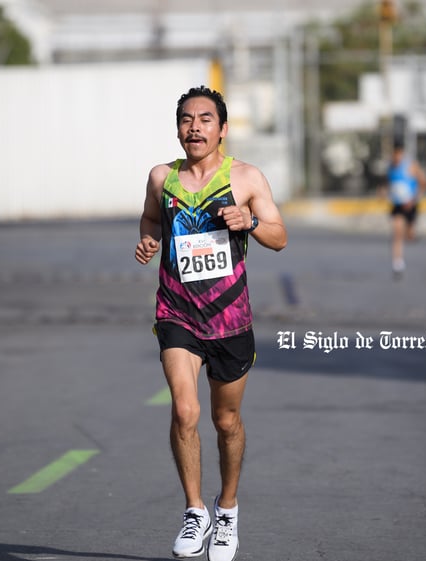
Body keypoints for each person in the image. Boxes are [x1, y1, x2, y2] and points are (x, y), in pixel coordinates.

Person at [134, 86, 287, 561]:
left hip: (230, 320)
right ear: (177, 127)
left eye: (204, 119)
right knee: (185, 410)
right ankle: (194, 510)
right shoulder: (163, 177)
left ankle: (227, 510)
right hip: (177, 311)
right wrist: (148, 239)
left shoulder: (246, 177)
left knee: (226, 421)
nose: (194, 127)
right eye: (186, 119)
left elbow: (280, 237)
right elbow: (150, 218)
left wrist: (250, 223)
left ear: (222, 128)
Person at [386, 141, 426, 278]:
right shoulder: (390, 167)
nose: (396, 158)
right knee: (397, 232)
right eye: (394, 155)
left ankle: (411, 232)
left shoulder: (411, 166)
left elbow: (424, 182)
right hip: (397, 205)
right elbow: (390, 185)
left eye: (399, 155)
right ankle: (397, 263)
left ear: (402, 154)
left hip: (410, 205)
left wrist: (414, 199)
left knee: (409, 236)